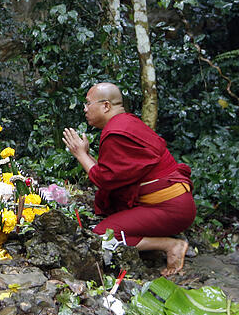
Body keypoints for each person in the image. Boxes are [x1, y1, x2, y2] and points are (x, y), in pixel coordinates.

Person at [62, 82, 195, 276]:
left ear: (106, 106)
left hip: (170, 209)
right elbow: (115, 174)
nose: (85, 109)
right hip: (177, 204)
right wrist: (86, 155)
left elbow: (105, 179)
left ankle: (171, 244)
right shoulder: (128, 122)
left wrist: (80, 154)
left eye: (88, 103)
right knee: (108, 224)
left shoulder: (116, 131)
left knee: (103, 235)